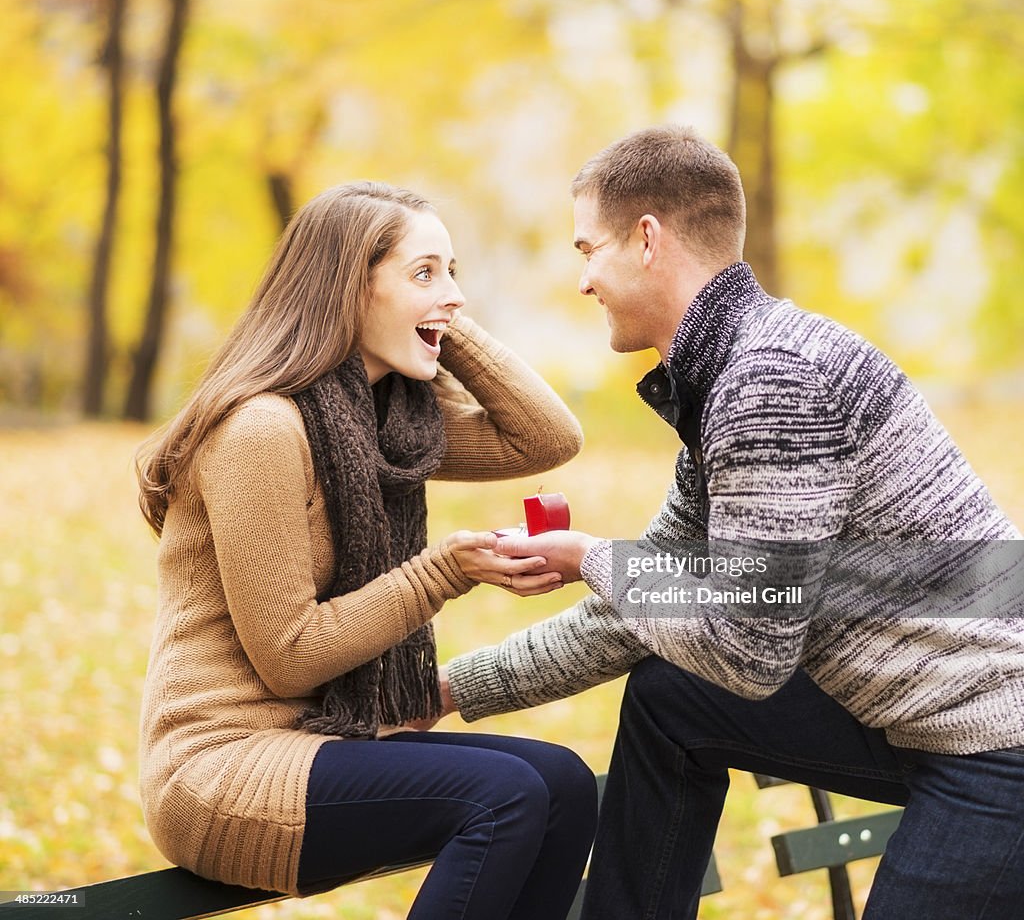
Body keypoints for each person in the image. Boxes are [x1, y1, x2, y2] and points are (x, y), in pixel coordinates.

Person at [438, 126, 1024, 919]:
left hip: (995, 740)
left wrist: (594, 556)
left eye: (588, 249)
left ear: (647, 239)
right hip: (920, 715)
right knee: (671, 694)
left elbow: (750, 647)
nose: (583, 281)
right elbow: (637, 617)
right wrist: (446, 690)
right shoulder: (729, 380)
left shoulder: (769, 382)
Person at [135, 181, 598, 920]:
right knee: (507, 795)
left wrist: (439, 315)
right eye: (424, 272)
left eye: (454, 271)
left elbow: (545, 437)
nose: (451, 292)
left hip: (326, 741)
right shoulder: (261, 429)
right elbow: (288, 653)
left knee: (567, 785)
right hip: (224, 766)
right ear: (347, 287)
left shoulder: (387, 425)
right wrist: (444, 570)